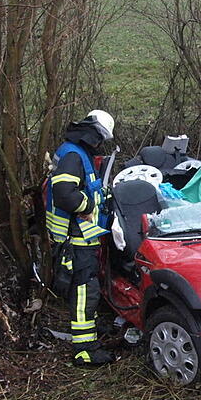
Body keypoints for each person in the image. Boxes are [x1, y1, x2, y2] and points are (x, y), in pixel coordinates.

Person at [45, 110, 117, 367]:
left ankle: (90, 336)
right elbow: (65, 194)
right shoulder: (74, 156)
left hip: (77, 237)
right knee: (86, 292)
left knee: (86, 290)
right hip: (75, 240)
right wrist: (87, 205)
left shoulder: (72, 151)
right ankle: (85, 350)